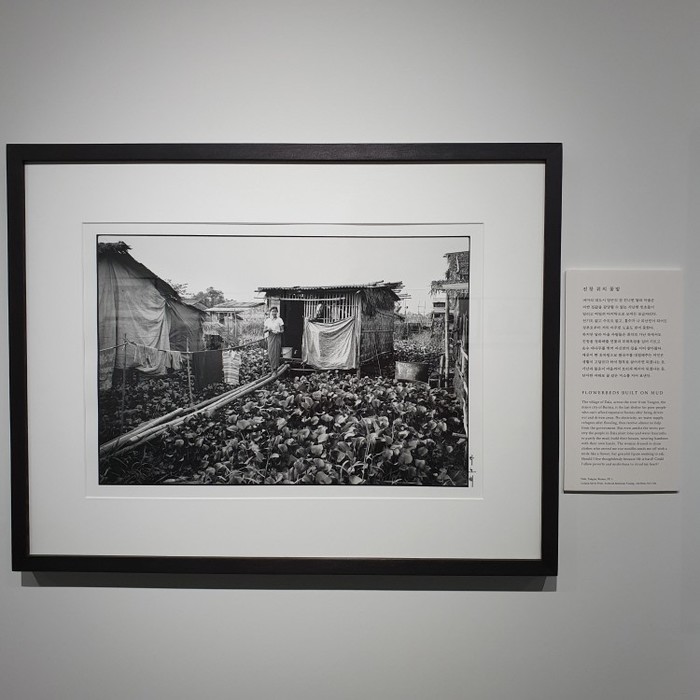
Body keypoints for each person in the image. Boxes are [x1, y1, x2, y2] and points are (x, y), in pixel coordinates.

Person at [263, 306, 285, 370]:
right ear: (270, 312)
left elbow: (282, 330)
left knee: (276, 351)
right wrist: (268, 329)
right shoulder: (267, 320)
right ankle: (272, 367)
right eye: (272, 311)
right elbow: (264, 330)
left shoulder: (279, 320)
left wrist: (278, 332)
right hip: (270, 337)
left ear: (277, 312)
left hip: (277, 336)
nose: (274, 313)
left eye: (275, 311)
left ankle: (276, 367)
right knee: (271, 352)